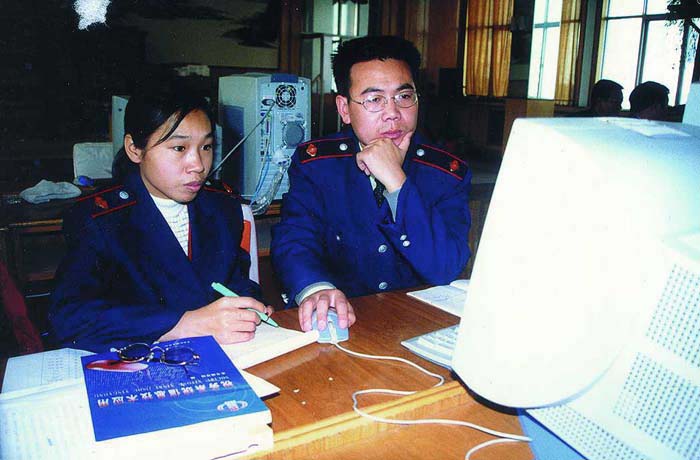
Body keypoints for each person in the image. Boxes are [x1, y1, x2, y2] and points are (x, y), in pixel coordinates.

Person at [49, 83, 272, 352]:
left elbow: (235, 281)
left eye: (206, 146)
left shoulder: (223, 208)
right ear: (135, 149)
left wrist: (247, 305)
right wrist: (180, 324)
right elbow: (69, 317)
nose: (198, 165)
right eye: (179, 148)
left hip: (228, 352)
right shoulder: (101, 220)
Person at [271, 35, 472, 333]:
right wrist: (316, 288)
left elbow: (445, 268)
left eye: (404, 96)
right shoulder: (317, 166)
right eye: (374, 100)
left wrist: (397, 181)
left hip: (416, 325)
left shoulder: (445, 174)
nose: (393, 113)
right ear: (344, 108)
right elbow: (295, 240)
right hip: (342, 322)